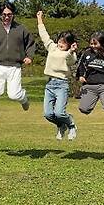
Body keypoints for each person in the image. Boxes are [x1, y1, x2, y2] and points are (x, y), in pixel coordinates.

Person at [0, 2, 35, 117]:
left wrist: (29, 57)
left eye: (9, 14)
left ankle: (24, 99)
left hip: (15, 66)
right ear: (0, 15)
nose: (6, 17)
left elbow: (30, 44)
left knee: (14, 95)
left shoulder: (21, 29)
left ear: (13, 14)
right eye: (4, 14)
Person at [36, 11, 78, 140]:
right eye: (60, 40)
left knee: (59, 112)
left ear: (69, 45)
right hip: (50, 84)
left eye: (64, 43)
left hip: (62, 85)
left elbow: (71, 61)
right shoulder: (52, 47)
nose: (60, 44)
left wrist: (71, 51)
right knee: (48, 114)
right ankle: (61, 125)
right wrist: (40, 20)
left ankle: (70, 124)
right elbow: (44, 36)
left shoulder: (70, 54)